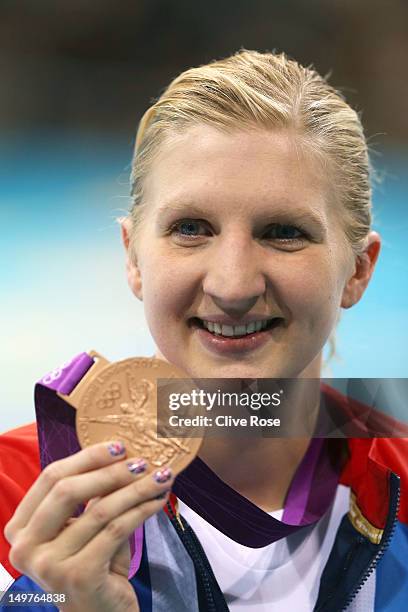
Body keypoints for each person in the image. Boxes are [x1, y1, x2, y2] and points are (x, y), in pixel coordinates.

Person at [1, 49, 408, 612]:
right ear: (134, 258)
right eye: (190, 228)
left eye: (283, 231)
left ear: (358, 270)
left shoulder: (400, 472)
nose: (233, 284)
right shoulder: (14, 489)